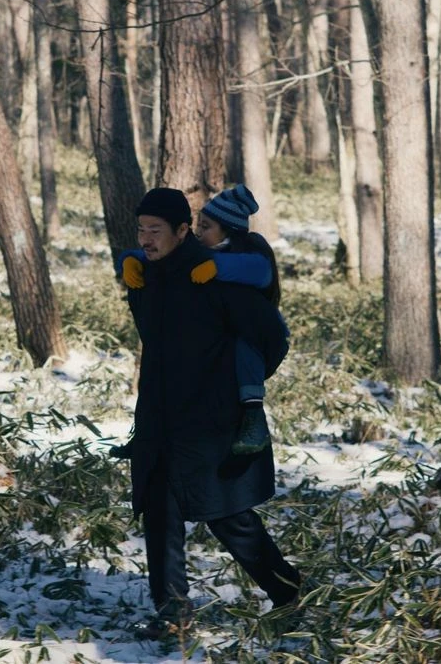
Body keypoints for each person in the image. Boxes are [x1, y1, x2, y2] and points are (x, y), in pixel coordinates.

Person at [120, 187, 300, 639]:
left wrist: (237, 390)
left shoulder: (215, 279)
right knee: (160, 515)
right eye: (141, 230)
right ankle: (173, 615)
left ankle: (289, 592)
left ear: (184, 231)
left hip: (210, 423)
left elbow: (272, 336)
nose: (146, 239)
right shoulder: (145, 277)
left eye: (155, 231)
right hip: (160, 418)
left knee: (227, 516)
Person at [112, 184, 286, 457]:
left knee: (246, 355)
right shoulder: (180, 262)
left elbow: (261, 273)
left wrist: (219, 268)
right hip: (169, 409)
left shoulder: (241, 257)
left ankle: (254, 416)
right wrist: (127, 260)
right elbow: (150, 255)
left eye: (206, 227)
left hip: (243, 351)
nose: (199, 232)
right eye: (141, 230)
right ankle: (145, 433)